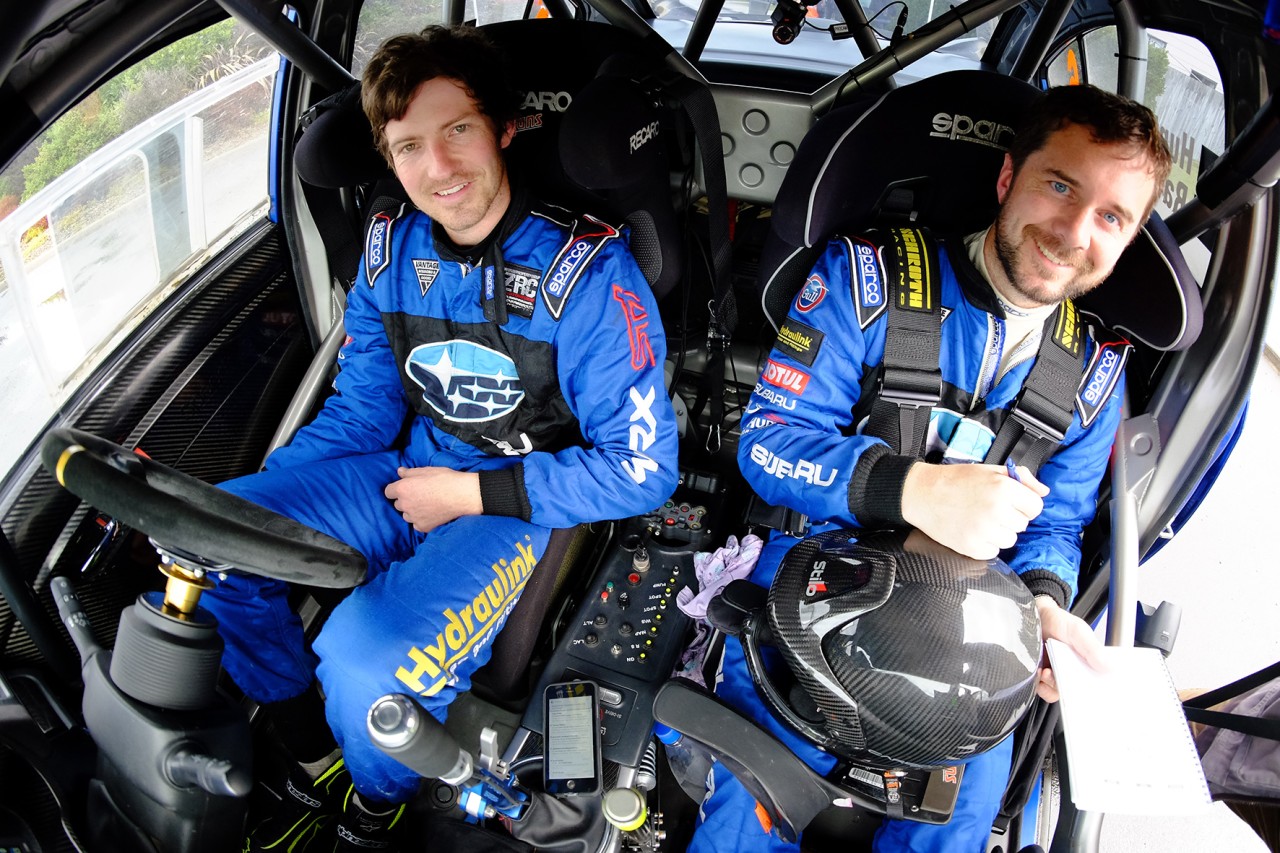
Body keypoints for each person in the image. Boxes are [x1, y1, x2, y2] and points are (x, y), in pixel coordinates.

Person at [199, 25, 679, 852]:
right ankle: (311, 746)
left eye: (457, 130)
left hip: (515, 503)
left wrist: (469, 493)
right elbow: (360, 410)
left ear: (504, 128)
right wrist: (276, 511)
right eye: (409, 145)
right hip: (404, 469)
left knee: (364, 664)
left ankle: (377, 799)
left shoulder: (591, 273)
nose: (439, 168)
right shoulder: (390, 249)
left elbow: (641, 471)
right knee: (217, 535)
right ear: (388, 159)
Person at [689, 84, 1172, 853]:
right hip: (812, 587)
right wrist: (912, 488)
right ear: (1008, 176)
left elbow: (1056, 522)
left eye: (1111, 217)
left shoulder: (1095, 376)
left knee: (953, 830)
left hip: (974, 632)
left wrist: (1044, 606)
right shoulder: (866, 278)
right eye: (1060, 186)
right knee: (745, 828)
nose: (1075, 231)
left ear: (1129, 237)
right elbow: (770, 438)